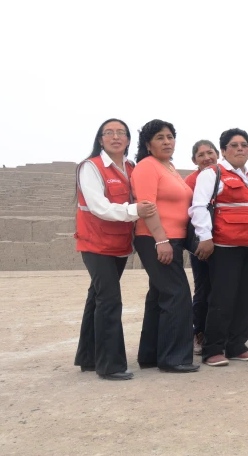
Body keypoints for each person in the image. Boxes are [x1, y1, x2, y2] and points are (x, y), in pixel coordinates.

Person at [74, 118, 156, 381]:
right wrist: (134, 210)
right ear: (100, 139)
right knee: (109, 300)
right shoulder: (91, 167)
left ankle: (88, 357)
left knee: (96, 298)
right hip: (95, 244)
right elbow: (98, 206)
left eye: (121, 132)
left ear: (129, 140)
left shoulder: (132, 167)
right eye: (108, 133)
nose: (115, 137)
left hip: (119, 245)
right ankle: (110, 365)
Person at [189, 128, 248, 367]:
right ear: (223, 151)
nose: (240, 149)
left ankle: (237, 345)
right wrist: (205, 237)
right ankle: (213, 348)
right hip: (224, 246)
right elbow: (199, 207)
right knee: (222, 298)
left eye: (244, 145)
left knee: (245, 298)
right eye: (234, 145)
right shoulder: (213, 173)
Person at [131, 119, 198, 373]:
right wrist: (161, 240)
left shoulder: (168, 167)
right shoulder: (147, 167)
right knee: (177, 294)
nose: (167, 141)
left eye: (170, 136)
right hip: (155, 238)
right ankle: (173, 359)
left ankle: (150, 355)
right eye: (160, 137)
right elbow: (147, 206)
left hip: (172, 239)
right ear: (148, 144)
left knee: (159, 295)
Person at [184, 139, 220, 355]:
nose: (207, 158)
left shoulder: (224, 174)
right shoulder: (190, 181)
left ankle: (218, 333)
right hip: (201, 243)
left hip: (225, 242)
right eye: (201, 155)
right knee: (203, 288)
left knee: (221, 290)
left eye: (210, 152)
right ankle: (199, 333)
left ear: (218, 154)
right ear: (193, 160)